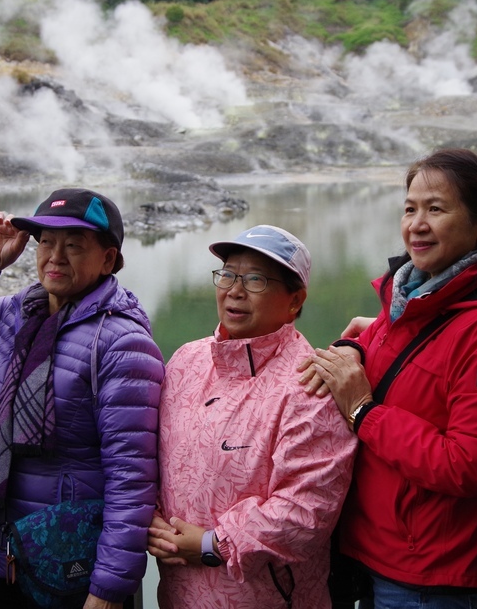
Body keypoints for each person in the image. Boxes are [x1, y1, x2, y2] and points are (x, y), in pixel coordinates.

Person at [301, 148, 477, 609]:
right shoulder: (412, 298)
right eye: (410, 208)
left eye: (436, 209)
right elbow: (401, 358)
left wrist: (363, 411)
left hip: (429, 577)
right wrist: (356, 347)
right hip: (371, 552)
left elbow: (467, 464)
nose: (417, 224)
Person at [0, 188, 164, 609]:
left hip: (74, 561)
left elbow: (131, 478)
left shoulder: (122, 344)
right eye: (46, 242)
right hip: (11, 550)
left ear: (108, 259)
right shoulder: (18, 313)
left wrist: (108, 588)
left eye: (74, 246)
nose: (55, 257)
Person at [147, 225, 357, 608]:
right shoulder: (185, 362)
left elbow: (306, 510)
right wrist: (152, 519)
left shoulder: (309, 384)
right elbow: (151, 458)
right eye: (228, 274)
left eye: (256, 280)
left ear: (295, 300)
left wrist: (212, 544)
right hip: (178, 593)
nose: (235, 290)